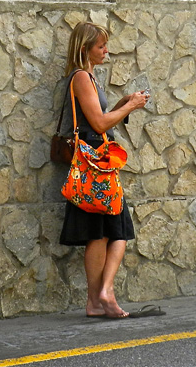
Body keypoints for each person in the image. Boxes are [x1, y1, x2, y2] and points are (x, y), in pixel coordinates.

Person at [58, 21, 149, 319]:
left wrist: (123, 103)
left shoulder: (89, 77)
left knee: (106, 231)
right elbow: (97, 124)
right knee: (110, 230)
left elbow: (98, 116)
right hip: (94, 163)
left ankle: (98, 299)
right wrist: (130, 107)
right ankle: (102, 294)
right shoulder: (81, 77)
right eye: (101, 46)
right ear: (85, 49)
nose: (106, 50)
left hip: (98, 162)